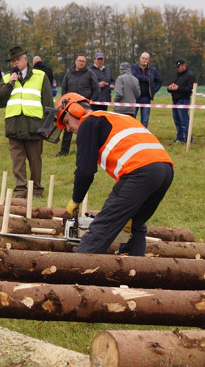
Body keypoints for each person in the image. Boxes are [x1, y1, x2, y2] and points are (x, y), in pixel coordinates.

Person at [57, 92, 173, 256]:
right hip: (165, 171)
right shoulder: (114, 116)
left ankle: (76, 270)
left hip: (140, 171)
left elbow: (85, 171)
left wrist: (76, 199)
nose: (68, 129)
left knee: (103, 226)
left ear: (75, 110)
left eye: (67, 122)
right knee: (135, 225)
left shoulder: (88, 122)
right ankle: (133, 271)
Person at [0, 46, 54, 198]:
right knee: (17, 162)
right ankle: (20, 191)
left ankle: (36, 190)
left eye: (18, 59)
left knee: (35, 161)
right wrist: (10, 84)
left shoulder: (40, 76)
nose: (15, 63)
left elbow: (48, 103)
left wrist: (47, 126)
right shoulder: (8, 77)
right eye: (13, 61)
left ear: (26, 59)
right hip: (14, 126)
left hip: (34, 126)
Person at [57, 53, 99, 157]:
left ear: (85, 63)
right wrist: (65, 101)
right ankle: (64, 151)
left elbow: (96, 89)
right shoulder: (69, 74)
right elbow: (64, 88)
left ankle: (85, 151)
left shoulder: (90, 73)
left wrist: (90, 101)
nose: (81, 63)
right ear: (75, 61)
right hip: (70, 106)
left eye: (83, 61)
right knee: (68, 129)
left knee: (85, 129)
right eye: (79, 60)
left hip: (83, 106)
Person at [167, 59, 196, 143]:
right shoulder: (177, 75)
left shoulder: (190, 75)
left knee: (184, 120)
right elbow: (173, 85)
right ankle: (180, 137)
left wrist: (178, 88)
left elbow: (190, 89)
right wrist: (170, 88)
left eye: (179, 67)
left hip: (183, 101)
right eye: (176, 67)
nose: (177, 69)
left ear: (184, 65)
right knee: (177, 120)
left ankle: (188, 138)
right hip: (175, 100)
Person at [131, 52, 162, 127]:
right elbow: (133, 76)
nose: (144, 60)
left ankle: (143, 136)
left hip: (146, 98)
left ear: (149, 60)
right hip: (134, 97)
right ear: (140, 59)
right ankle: (132, 136)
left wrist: (153, 91)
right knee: (132, 118)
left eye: (146, 58)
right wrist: (147, 78)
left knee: (145, 119)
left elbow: (159, 81)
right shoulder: (133, 67)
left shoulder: (152, 70)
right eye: (143, 58)